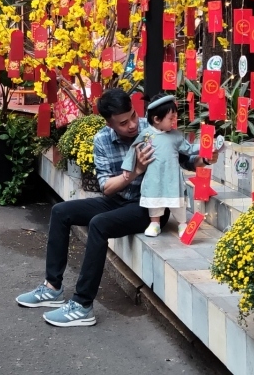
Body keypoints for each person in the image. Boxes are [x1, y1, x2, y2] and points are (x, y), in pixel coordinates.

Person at [14, 88, 219, 327]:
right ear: (109, 124)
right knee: (61, 212)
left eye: (133, 116)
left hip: (150, 208)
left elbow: (184, 158)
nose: (133, 125)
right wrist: (135, 172)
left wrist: (205, 158)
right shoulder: (102, 139)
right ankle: (52, 288)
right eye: (123, 123)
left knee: (99, 225)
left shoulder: (151, 128)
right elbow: (106, 187)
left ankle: (82, 305)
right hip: (117, 198)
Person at [121, 94, 195, 237]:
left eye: (175, 117)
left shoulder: (176, 135)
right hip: (154, 175)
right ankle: (155, 223)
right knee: (154, 199)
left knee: (177, 201)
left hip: (172, 175)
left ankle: (182, 224)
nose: (174, 121)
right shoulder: (146, 134)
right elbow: (134, 148)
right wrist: (127, 166)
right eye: (171, 118)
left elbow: (189, 148)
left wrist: (206, 148)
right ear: (156, 119)